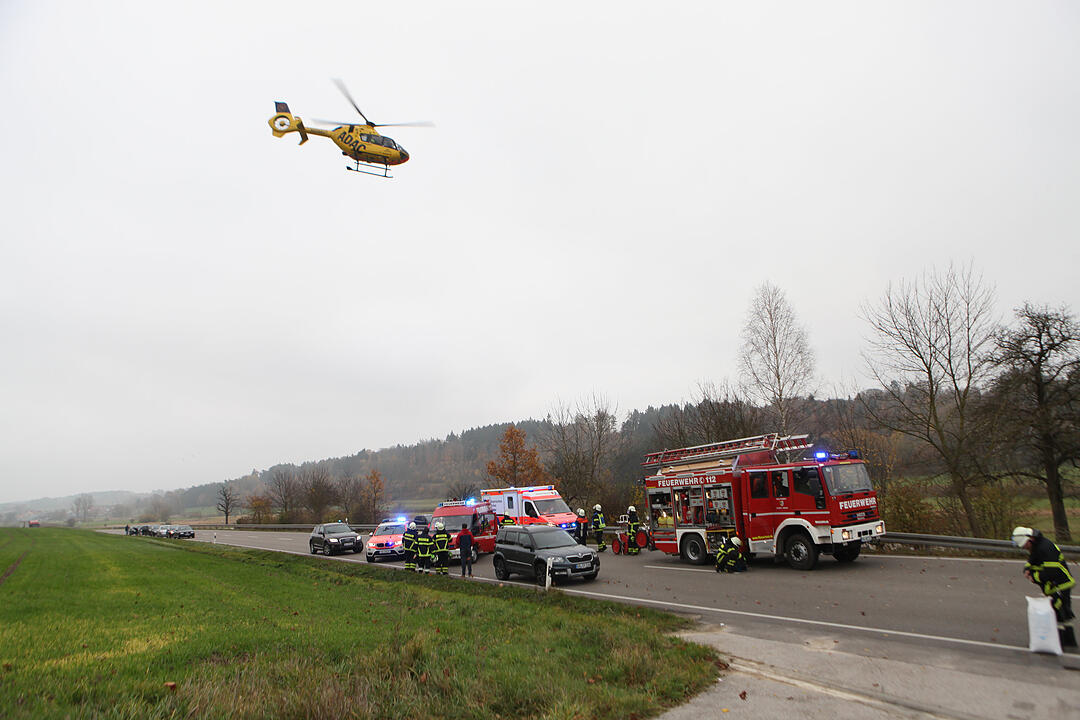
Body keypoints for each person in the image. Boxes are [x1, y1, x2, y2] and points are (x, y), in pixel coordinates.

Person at [1012, 526, 1076, 647]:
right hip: (1054, 584)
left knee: (1060, 611)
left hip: (1061, 584)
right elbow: (1033, 558)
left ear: (1030, 539)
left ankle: (1062, 641)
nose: (1024, 547)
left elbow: (1051, 572)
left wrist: (1034, 577)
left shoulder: (1045, 548)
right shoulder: (1037, 545)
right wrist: (1027, 568)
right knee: (1062, 611)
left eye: (1024, 545)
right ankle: (1068, 641)